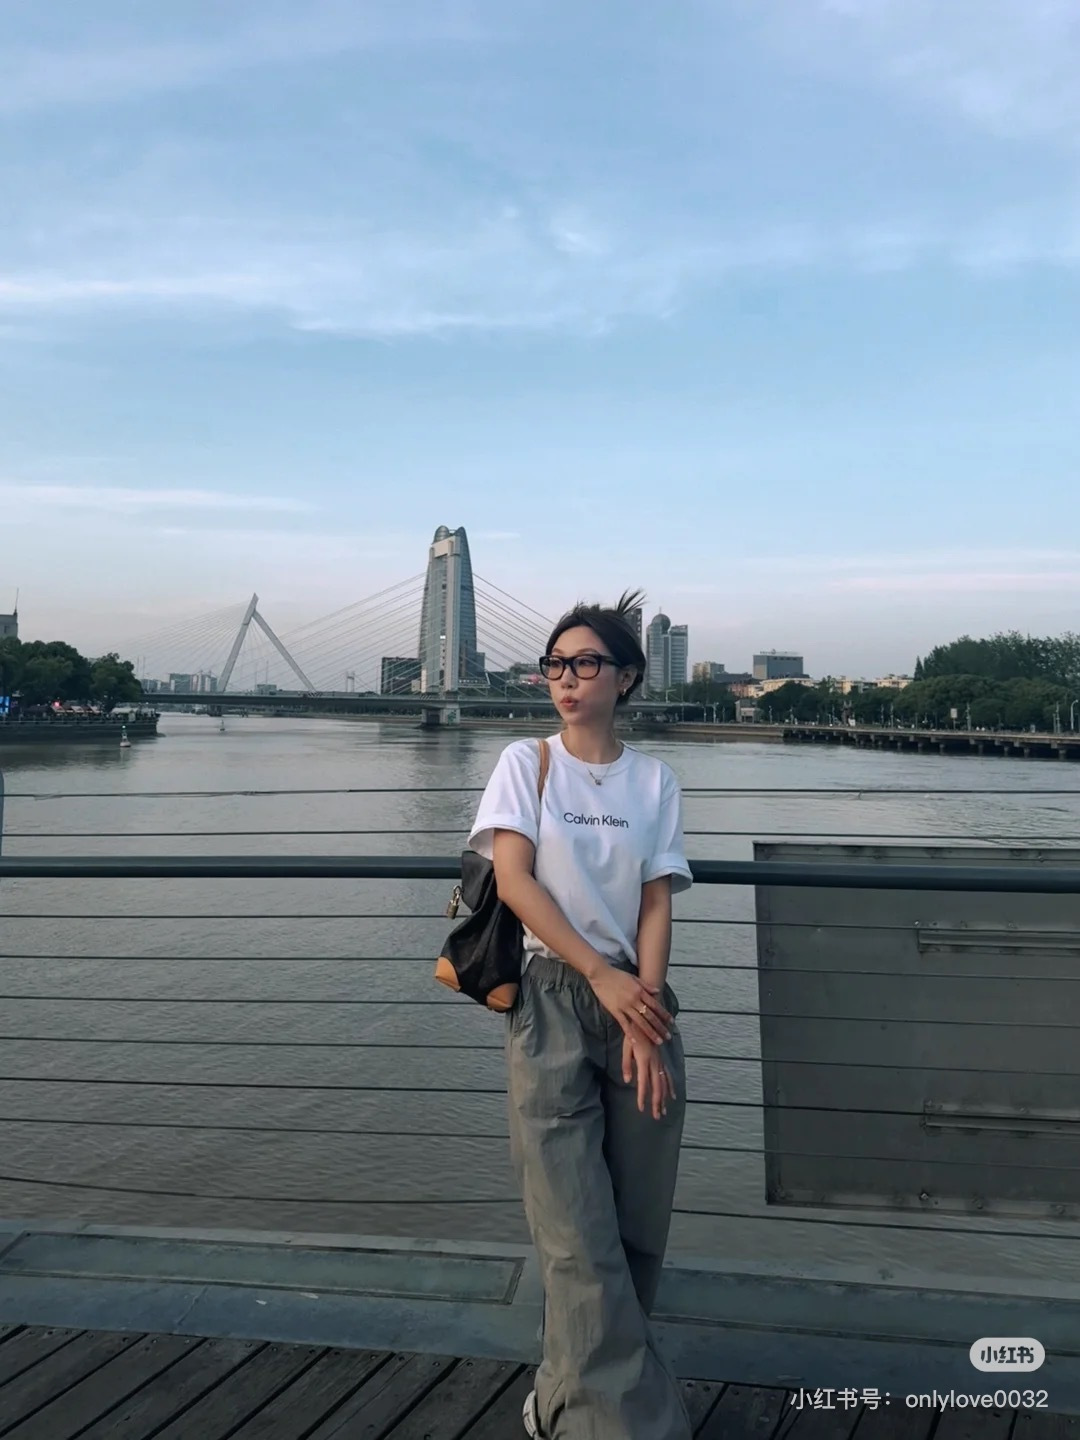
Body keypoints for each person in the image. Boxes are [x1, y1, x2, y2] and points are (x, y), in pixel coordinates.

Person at [468, 589, 693, 1440]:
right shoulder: (525, 764)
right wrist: (600, 977)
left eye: (586, 663)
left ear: (625, 678)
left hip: (640, 1004)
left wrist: (642, 1011)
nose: (565, 678)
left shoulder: (655, 781)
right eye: (555, 665)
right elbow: (514, 882)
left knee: (635, 1229)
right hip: (555, 999)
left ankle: (561, 1395)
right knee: (573, 1233)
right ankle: (625, 1426)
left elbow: (656, 901)